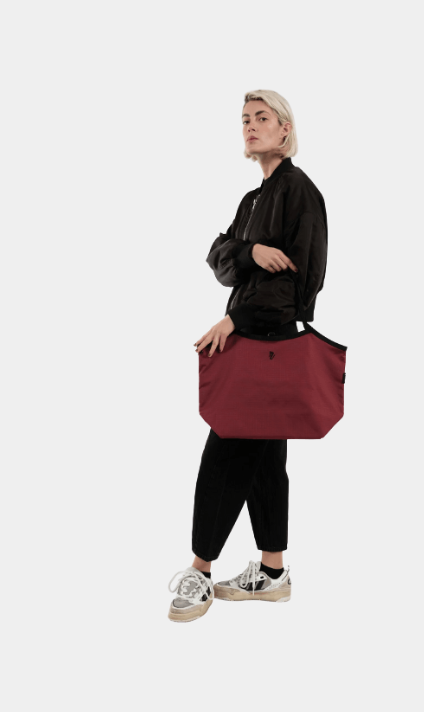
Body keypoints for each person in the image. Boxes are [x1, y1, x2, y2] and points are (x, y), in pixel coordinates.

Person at [167, 89, 329, 622]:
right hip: (257, 342)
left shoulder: (299, 192)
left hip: (269, 339)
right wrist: (250, 250)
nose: (250, 126)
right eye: (244, 119)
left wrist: (235, 319)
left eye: (262, 118)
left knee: (226, 452)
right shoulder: (252, 200)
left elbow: (300, 284)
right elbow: (219, 260)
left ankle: (200, 571)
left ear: (285, 129)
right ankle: (273, 572)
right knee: (264, 461)